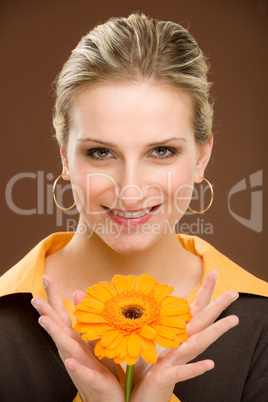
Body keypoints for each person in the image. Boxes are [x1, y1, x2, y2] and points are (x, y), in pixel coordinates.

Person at [0, 12, 267, 402]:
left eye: (161, 151)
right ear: (65, 158)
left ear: (201, 157)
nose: (129, 192)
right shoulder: (6, 322)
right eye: (101, 152)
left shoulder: (259, 325)